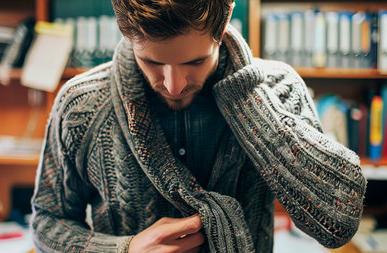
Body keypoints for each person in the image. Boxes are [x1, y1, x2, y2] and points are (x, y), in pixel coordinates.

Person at [31, 0, 367, 252]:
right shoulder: (81, 105)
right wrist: (125, 250)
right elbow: (47, 222)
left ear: (221, 32)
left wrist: (248, 101)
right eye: (152, 61)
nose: (174, 85)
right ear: (127, 35)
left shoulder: (278, 90)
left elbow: (336, 223)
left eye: (195, 61)